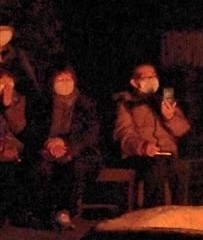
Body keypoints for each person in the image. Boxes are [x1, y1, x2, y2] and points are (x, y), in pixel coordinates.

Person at [28, 63, 102, 230]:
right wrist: (48, 143)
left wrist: (66, 144)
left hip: (79, 150)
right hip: (48, 149)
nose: (65, 82)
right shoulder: (42, 104)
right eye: (60, 79)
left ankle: (66, 211)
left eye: (68, 79)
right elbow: (33, 129)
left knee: (76, 166)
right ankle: (45, 212)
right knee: (41, 167)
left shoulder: (86, 104)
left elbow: (90, 133)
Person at [113, 64, 190, 208]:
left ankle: (179, 212)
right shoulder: (127, 103)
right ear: (134, 82)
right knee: (156, 168)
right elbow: (124, 134)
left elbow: (183, 129)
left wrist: (170, 117)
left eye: (153, 75)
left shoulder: (165, 100)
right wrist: (143, 146)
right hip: (142, 156)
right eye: (146, 77)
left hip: (167, 153)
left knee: (180, 168)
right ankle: (154, 212)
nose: (151, 79)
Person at [0, 68, 26, 226]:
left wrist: (8, 106)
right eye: (2, 81)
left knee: (8, 170)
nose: (6, 85)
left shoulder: (18, 100)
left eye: (9, 81)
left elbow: (18, 127)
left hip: (10, 145)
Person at [0, 23, 40, 97]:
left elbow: (28, 76)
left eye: (5, 30)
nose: (2, 34)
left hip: (15, 98)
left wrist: (10, 78)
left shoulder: (16, 53)